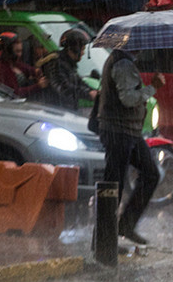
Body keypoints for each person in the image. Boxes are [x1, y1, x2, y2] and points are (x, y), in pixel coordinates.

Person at [96, 47, 165, 245]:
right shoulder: (123, 64)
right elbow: (128, 99)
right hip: (119, 131)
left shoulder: (126, 62)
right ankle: (103, 241)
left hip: (129, 131)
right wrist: (153, 87)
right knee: (113, 186)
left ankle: (125, 225)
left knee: (151, 174)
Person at [38, 28, 97, 111]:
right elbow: (62, 86)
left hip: (68, 109)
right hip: (55, 110)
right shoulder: (55, 62)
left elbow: (78, 81)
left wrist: (93, 91)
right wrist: (87, 94)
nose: (83, 53)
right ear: (74, 49)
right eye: (82, 49)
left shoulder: (69, 63)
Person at [0, 31, 48, 98]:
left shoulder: (14, 64)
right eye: (17, 51)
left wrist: (38, 72)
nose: (20, 55)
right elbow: (13, 93)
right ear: (7, 52)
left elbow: (29, 70)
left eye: (21, 51)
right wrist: (38, 86)